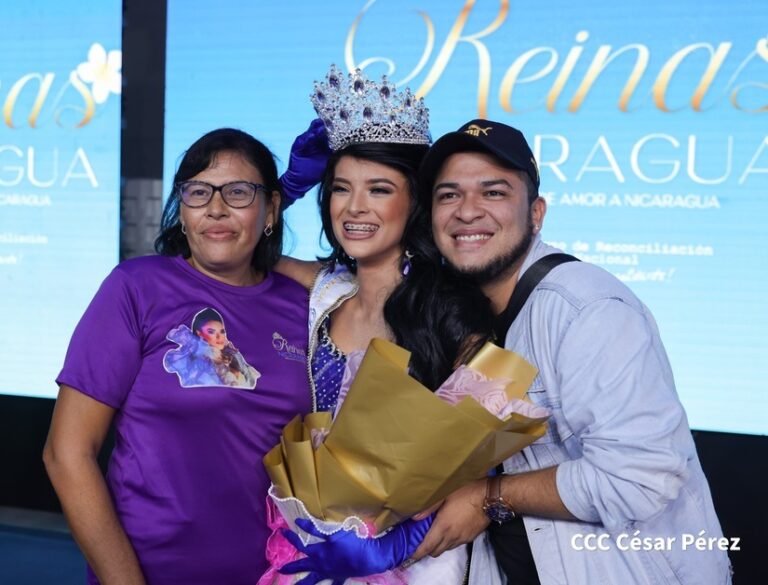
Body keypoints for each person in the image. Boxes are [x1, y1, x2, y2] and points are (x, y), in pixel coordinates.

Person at [410, 119, 732, 584]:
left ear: (536, 213)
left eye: (494, 192)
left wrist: (488, 497)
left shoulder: (586, 308)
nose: (467, 211)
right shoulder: (470, 319)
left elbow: (639, 479)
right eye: (449, 195)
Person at [43, 128, 312, 585]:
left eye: (239, 192)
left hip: (276, 573)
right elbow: (66, 453)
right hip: (149, 571)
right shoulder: (136, 287)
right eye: (198, 192)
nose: (216, 207)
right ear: (182, 212)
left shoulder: (305, 304)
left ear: (272, 211)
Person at [271, 66, 495, 584]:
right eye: (340, 188)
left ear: (413, 201)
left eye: (378, 189)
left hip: (418, 560)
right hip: (315, 543)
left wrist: (389, 550)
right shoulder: (326, 291)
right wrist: (286, 191)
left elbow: (477, 467)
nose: (354, 207)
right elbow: (242, 249)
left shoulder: (450, 310)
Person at [163, 306, 262, 388]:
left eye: (222, 332)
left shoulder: (230, 355)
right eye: (211, 332)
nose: (219, 337)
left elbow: (251, 383)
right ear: (199, 333)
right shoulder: (198, 363)